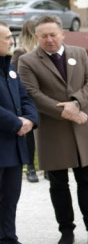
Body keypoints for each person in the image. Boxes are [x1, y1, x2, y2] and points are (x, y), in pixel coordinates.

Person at [17, 15, 88, 244]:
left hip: (81, 127)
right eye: (43, 36)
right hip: (52, 130)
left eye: (53, 34)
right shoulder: (27, 61)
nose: (49, 40)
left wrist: (75, 103)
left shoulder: (79, 53)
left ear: (62, 34)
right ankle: (66, 231)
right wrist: (65, 111)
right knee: (58, 183)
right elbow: (32, 94)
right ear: (37, 37)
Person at [0, 22, 40, 244]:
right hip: (4, 140)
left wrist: (30, 120)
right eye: (6, 38)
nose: (11, 41)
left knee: (11, 197)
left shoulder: (10, 68)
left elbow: (25, 98)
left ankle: (8, 241)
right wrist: (17, 123)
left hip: (14, 146)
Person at [11, 19, 39, 183]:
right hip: (28, 100)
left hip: (45, 99)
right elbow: (15, 77)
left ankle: (49, 168)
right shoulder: (20, 52)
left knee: (46, 136)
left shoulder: (43, 51)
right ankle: (30, 167)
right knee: (30, 137)